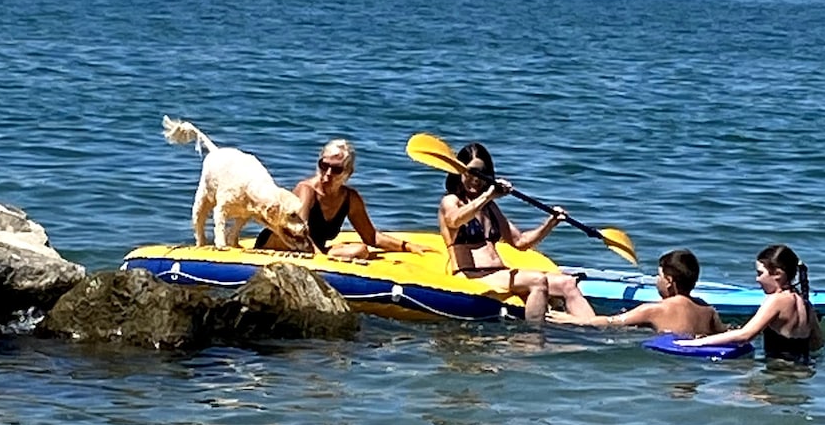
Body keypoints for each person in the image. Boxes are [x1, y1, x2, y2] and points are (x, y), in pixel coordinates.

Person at [438, 141, 594, 323]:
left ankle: (596, 329)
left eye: (482, 174)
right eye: (471, 172)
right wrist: (488, 195)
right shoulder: (451, 201)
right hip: (471, 274)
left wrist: (550, 223)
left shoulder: (490, 208)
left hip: (499, 273)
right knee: (537, 280)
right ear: (459, 172)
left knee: (567, 283)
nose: (476, 179)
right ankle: (535, 337)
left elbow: (520, 242)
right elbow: (455, 220)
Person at [255, 138, 419, 259]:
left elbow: (371, 237)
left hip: (313, 250)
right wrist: (320, 259)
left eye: (336, 169)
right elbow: (296, 232)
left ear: (348, 173)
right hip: (283, 243)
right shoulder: (307, 190)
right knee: (290, 234)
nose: (327, 174)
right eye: (324, 165)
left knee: (360, 251)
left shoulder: (350, 198)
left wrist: (407, 246)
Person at [679, 243, 824, 362]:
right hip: (802, 370)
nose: (757, 279)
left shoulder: (777, 300)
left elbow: (745, 335)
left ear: (778, 274)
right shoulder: (805, 302)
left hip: (780, 372)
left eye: (760, 273)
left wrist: (696, 343)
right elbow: (817, 343)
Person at [548, 249, 727, 337]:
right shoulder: (707, 310)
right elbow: (725, 333)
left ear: (669, 281)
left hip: (669, 359)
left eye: (659, 276)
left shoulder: (654, 310)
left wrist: (574, 320)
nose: (657, 280)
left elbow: (611, 322)